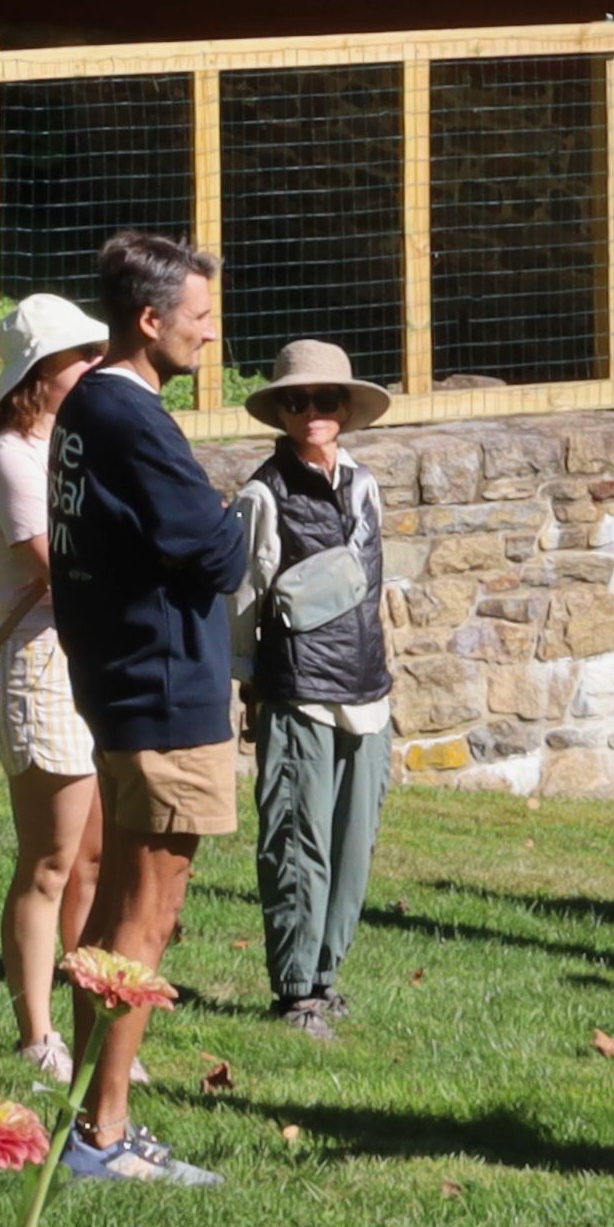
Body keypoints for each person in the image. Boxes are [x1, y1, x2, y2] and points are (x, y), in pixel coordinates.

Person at [50, 226, 243, 1187]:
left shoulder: (83, 402)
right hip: (166, 693)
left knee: (116, 916)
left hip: (121, 685)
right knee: (145, 922)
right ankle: (104, 1135)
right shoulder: (132, 415)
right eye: (200, 317)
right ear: (150, 318)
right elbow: (215, 551)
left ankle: (92, 1119)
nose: (211, 334)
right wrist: (230, 521)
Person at [0, 291, 115, 1080]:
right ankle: (36, 1034)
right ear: (39, 373)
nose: (94, 367)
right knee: (49, 861)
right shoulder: (10, 458)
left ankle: (92, 1028)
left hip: (89, 660)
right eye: (79, 357)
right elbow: (68, 570)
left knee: (93, 861)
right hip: (41, 669)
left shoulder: (74, 445)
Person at [232, 338, 398, 1040]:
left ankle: (326, 978)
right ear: (280, 409)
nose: (312, 411)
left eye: (325, 398)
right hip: (296, 689)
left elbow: (372, 590)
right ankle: (295, 991)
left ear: (345, 406)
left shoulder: (364, 483)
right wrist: (244, 690)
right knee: (299, 841)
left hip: (367, 690)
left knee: (353, 844)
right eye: (296, 400)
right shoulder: (259, 494)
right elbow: (239, 602)